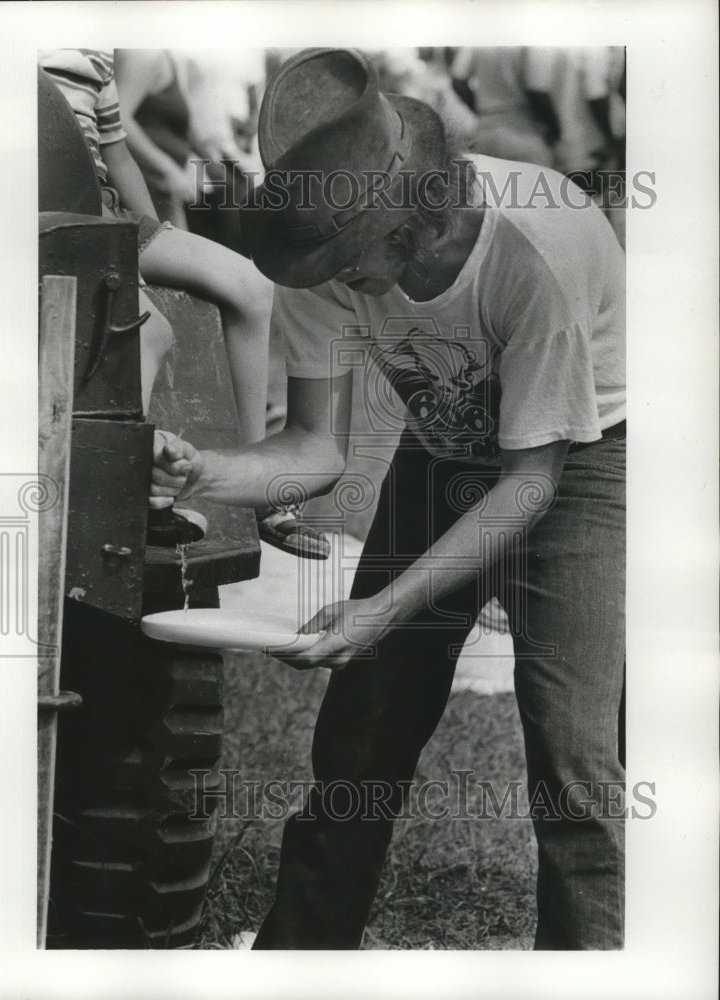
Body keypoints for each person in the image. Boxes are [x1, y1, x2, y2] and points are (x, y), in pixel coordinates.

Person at [152, 48, 626, 949]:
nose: (331, 277)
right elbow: (312, 448)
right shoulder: (327, 253)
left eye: (345, 258)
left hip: (585, 456)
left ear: (410, 228)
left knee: (572, 755)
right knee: (362, 729)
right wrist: (205, 472)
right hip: (449, 441)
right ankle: (301, 956)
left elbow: (530, 481)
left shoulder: (537, 253)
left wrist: (384, 606)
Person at [39, 49, 329, 557]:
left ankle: (254, 482)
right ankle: (135, 495)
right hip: (45, 212)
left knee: (253, 285)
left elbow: (117, 151)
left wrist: (153, 237)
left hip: (110, 215)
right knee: (146, 326)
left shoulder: (97, 54)